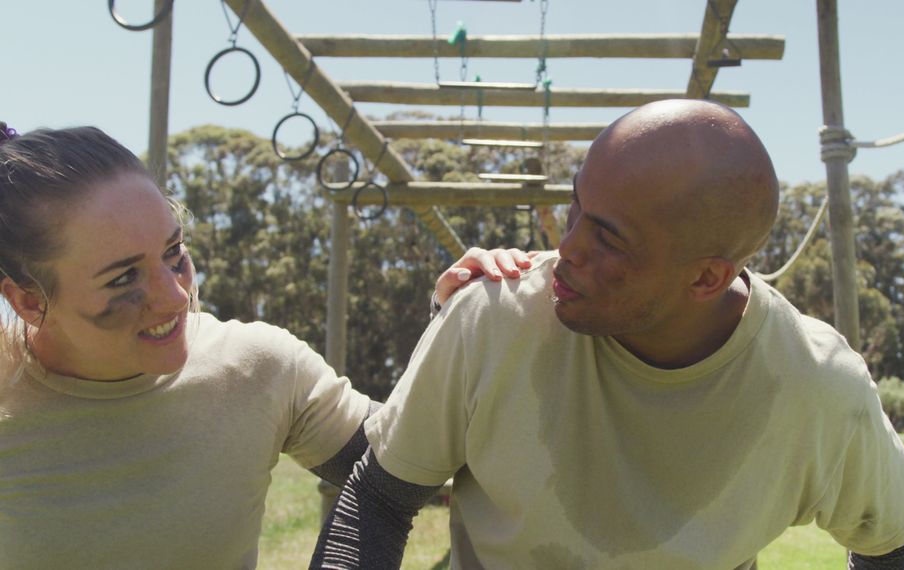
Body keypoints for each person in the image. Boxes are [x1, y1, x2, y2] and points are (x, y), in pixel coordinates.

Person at [310, 100, 904, 569]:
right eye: (578, 206)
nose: (567, 247)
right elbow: (380, 499)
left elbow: (895, 542)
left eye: (608, 237)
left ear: (707, 278)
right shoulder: (493, 319)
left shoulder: (813, 385)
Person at [0, 122, 528, 568]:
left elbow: (407, 467)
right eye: (123, 280)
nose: (175, 295)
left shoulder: (256, 368)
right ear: (27, 300)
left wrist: (461, 321)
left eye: (174, 251)